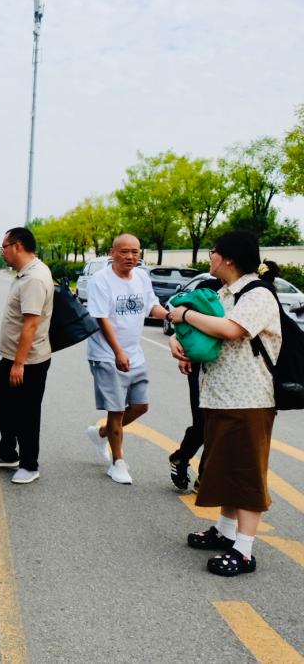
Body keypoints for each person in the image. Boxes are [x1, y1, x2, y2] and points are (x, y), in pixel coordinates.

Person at [169, 231, 282, 577]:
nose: (211, 258)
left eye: (214, 252)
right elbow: (208, 331)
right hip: (219, 395)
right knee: (225, 468)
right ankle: (225, 531)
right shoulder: (224, 293)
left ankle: (244, 550)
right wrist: (179, 342)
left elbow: (231, 330)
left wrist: (185, 316)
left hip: (250, 399)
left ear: (229, 258)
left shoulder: (258, 294)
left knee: (245, 472)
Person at [83, 233, 167, 485]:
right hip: (107, 354)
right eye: (124, 252)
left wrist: (172, 316)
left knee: (141, 406)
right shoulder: (100, 280)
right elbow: (101, 318)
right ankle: (117, 462)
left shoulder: (142, 276)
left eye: (135, 252)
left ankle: (101, 433)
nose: (130, 257)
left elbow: (152, 306)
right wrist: (118, 351)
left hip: (134, 353)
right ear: (112, 252)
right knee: (117, 410)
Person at [0, 227, 54, 484]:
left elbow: (31, 324)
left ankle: (29, 465)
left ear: (18, 246)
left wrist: (19, 364)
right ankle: (7, 453)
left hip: (28, 361)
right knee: (4, 405)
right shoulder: (26, 273)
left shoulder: (34, 278)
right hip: (14, 357)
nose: (2, 252)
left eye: (4, 246)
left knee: (27, 412)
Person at [167, 277, 222, 491]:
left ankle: (205, 476)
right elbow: (186, 325)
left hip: (231, 371)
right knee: (203, 423)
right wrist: (179, 343)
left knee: (218, 425)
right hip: (202, 365)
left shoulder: (248, 292)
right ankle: (181, 458)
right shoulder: (208, 287)